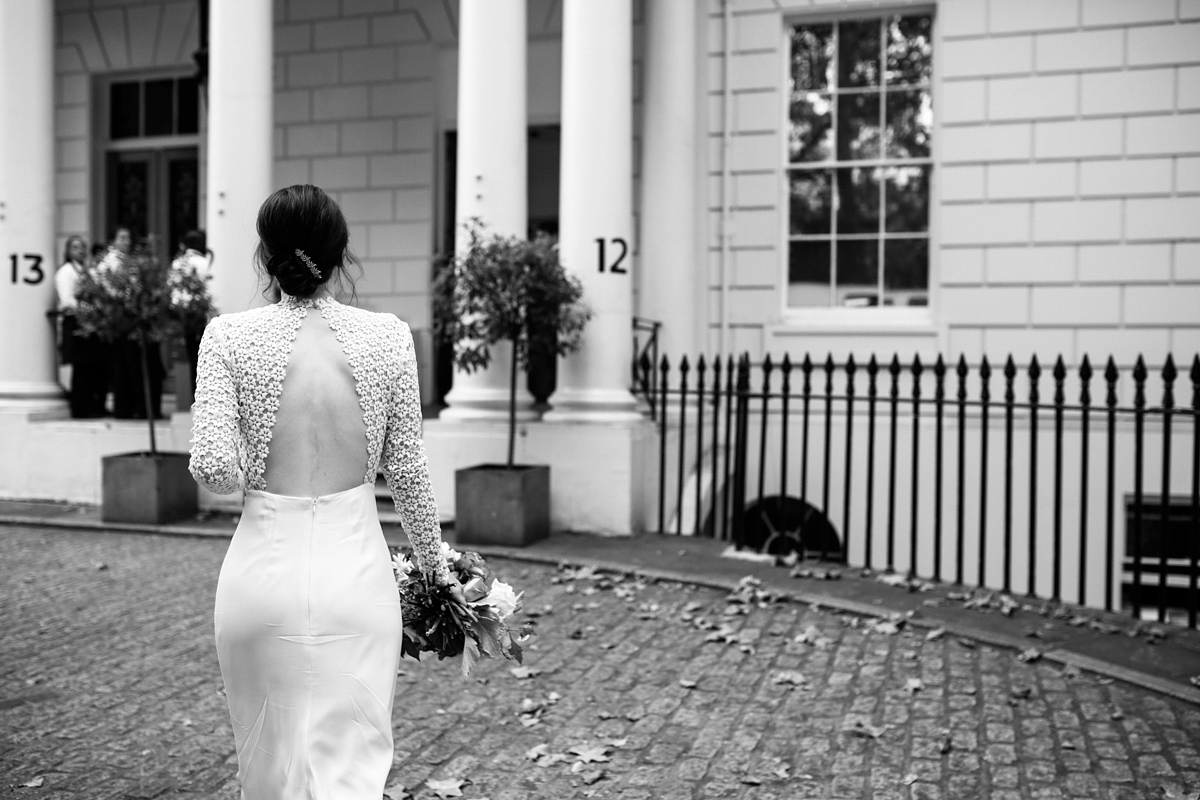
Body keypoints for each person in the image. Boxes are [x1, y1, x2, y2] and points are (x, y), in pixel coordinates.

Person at [189, 184, 465, 799]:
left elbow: (213, 467)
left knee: (268, 772)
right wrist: (438, 579)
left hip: (260, 578)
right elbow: (411, 478)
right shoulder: (389, 337)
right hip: (356, 581)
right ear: (341, 256)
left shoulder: (226, 338)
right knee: (350, 773)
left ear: (265, 256)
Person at [55, 235, 107, 417]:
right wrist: (89, 309)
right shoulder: (66, 272)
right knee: (81, 368)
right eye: (76, 247)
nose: (81, 251)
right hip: (76, 323)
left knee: (92, 367)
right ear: (69, 251)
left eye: (83, 247)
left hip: (90, 323)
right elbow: (67, 300)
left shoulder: (89, 272)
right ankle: (80, 408)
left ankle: (92, 405)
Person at [170, 229, 213, 396]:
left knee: (189, 354)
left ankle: (191, 395)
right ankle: (200, 393)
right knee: (201, 356)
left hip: (183, 313)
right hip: (200, 313)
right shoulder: (204, 262)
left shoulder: (177, 263)